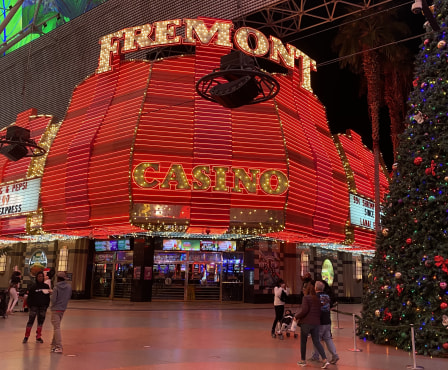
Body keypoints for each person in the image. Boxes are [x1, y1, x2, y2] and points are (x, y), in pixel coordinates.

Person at [294, 283, 330, 369]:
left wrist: (296, 317)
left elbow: (305, 310)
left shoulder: (306, 298)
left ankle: (303, 361)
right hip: (316, 323)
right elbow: (320, 310)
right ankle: (325, 360)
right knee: (316, 342)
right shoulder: (318, 299)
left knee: (303, 342)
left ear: (306, 290)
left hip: (306, 323)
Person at [309, 280, 340, 364]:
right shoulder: (326, 296)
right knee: (328, 339)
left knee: (316, 339)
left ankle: (315, 356)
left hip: (319, 322)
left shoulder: (314, 297)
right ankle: (334, 355)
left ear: (315, 288)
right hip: (327, 321)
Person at [23, 271, 51, 343]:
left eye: (42, 276)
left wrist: (46, 305)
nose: (40, 278)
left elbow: (47, 297)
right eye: (39, 276)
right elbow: (29, 297)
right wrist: (30, 305)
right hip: (34, 307)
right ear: (36, 277)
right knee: (30, 321)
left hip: (43, 307)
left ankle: (38, 336)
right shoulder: (33, 287)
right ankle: (26, 336)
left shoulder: (46, 286)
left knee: (40, 322)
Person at [50, 271, 72, 354]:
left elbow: (53, 300)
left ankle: (59, 346)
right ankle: (54, 344)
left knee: (56, 327)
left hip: (55, 309)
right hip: (62, 309)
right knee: (57, 326)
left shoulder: (56, 288)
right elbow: (69, 296)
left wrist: (51, 294)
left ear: (58, 279)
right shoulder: (69, 287)